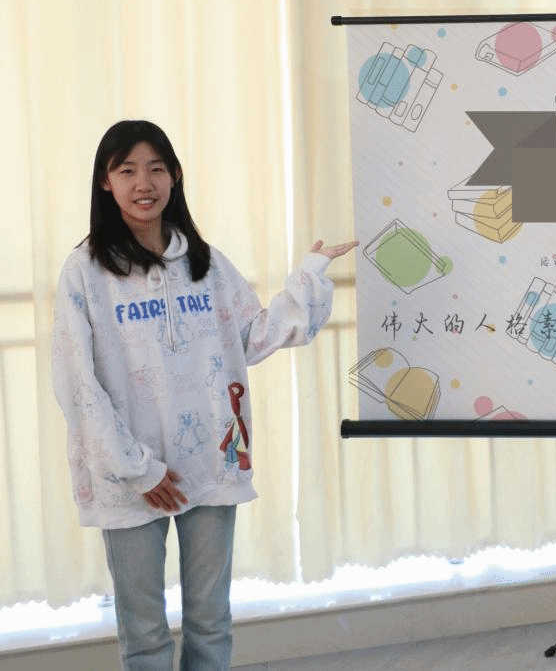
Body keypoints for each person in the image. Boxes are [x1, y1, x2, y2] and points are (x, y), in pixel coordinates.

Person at [50, 119, 357, 671]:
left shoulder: (206, 264)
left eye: (156, 169)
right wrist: (137, 469)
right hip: (129, 475)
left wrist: (309, 275)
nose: (144, 183)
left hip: (210, 463)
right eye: (127, 171)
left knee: (211, 622)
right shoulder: (85, 272)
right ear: (105, 181)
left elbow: (255, 336)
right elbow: (77, 382)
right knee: (144, 633)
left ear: (175, 177)